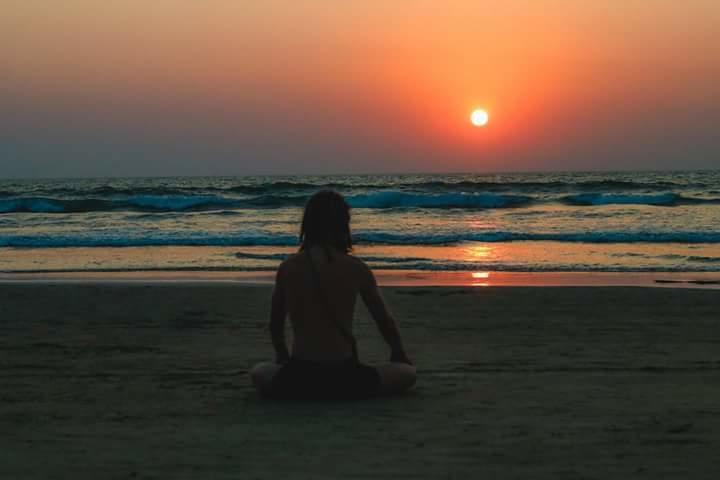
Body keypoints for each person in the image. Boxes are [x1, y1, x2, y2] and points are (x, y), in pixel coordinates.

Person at [250, 190, 416, 400]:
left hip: (300, 376)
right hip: (345, 376)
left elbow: (275, 323)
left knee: (260, 372)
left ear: (307, 224)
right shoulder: (356, 268)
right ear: (343, 225)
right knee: (407, 374)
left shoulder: (288, 267)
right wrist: (398, 352)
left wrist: (281, 355)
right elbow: (384, 321)